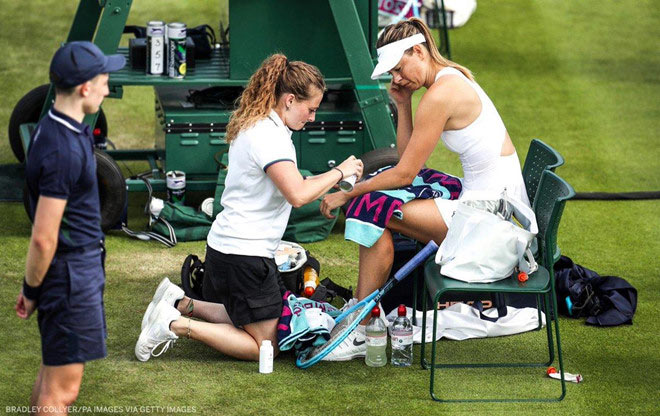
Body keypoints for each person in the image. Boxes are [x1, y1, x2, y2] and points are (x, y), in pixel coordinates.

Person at [319, 18, 531, 361]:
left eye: (399, 69)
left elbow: (404, 173)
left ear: (418, 51)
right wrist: (403, 104)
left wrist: (348, 193)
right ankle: (362, 315)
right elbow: (405, 159)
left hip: (491, 226)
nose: (397, 78)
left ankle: (359, 329)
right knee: (380, 203)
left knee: (372, 210)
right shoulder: (448, 81)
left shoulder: (442, 94)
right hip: (492, 209)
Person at [135, 54, 363, 362]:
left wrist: (333, 178)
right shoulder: (271, 138)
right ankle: (174, 324)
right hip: (243, 257)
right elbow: (297, 194)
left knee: (259, 317)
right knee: (267, 344)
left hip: (228, 250)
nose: (312, 118)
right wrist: (340, 172)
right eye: (310, 109)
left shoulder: (260, 124)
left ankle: (179, 301)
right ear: (290, 100)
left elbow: (294, 183)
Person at [15, 42, 125, 412]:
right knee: (61, 393)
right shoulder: (61, 147)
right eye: (104, 81)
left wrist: (34, 288)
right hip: (70, 277)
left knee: (51, 380)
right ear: (84, 88)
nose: (108, 89)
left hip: (70, 273)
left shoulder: (57, 127)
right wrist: (33, 288)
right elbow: (44, 237)